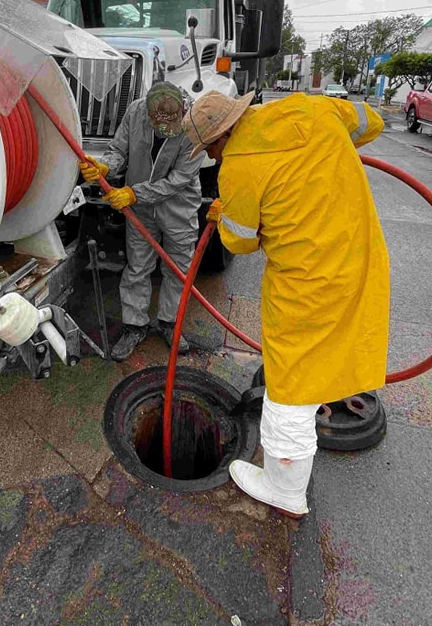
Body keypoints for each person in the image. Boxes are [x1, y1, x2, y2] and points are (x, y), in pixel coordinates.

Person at [183, 90, 389, 518]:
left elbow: (240, 242)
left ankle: (284, 489)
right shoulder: (310, 107)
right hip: (360, 255)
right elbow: (371, 123)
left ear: (221, 138)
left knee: (290, 383)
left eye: (210, 149)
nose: (213, 157)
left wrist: (226, 212)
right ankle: (316, 410)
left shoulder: (238, 169)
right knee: (336, 347)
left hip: (306, 282)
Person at [80, 82, 205, 361]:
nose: (164, 132)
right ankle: (134, 326)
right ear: (147, 112)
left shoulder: (195, 124)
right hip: (139, 208)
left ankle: (170, 324)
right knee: (137, 267)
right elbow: (118, 150)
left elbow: (178, 180)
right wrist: (106, 167)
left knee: (178, 270)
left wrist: (134, 193)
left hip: (178, 209)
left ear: (182, 109)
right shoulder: (135, 112)